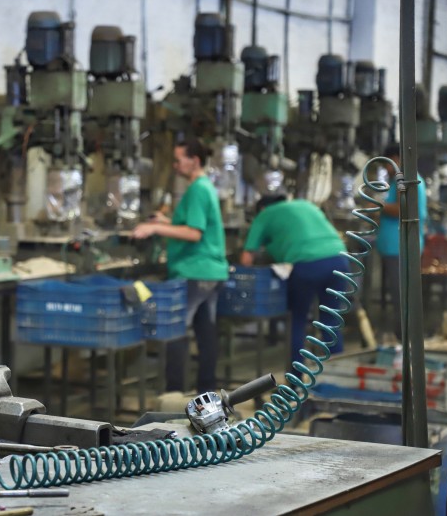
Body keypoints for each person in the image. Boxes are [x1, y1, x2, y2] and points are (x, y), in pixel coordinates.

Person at [132, 134, 228, 393]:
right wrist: (164, 222)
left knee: (176, 330)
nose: (175, 166)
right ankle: (206, 391)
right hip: (211, 272)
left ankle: (174, 394)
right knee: (205, 331)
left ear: (194, 161)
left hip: (195, 271)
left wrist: (153, 228)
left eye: (178, 160)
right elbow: (189, 226)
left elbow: (194, 233)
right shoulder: (204, 187)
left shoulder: (197, 189)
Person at [240, 196, 349, 373]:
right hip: (339, 259)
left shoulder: (264, 215)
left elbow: (246, 259)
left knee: (297, 320)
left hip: (306, 264)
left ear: (260, 209)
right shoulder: (306, 205)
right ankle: (336, 376)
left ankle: (296, 381)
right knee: (331, 320)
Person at [376, 143, 428, 341]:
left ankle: (405, 340)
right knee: (403, 296)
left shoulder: (403, 179)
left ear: (397, 158)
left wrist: (377, 204)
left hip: (399, 248)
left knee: (402, 298)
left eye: (388, 163)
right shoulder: (409, 179)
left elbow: (401, 210)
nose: (387, 168)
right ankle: (406, 339)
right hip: (400, 246)